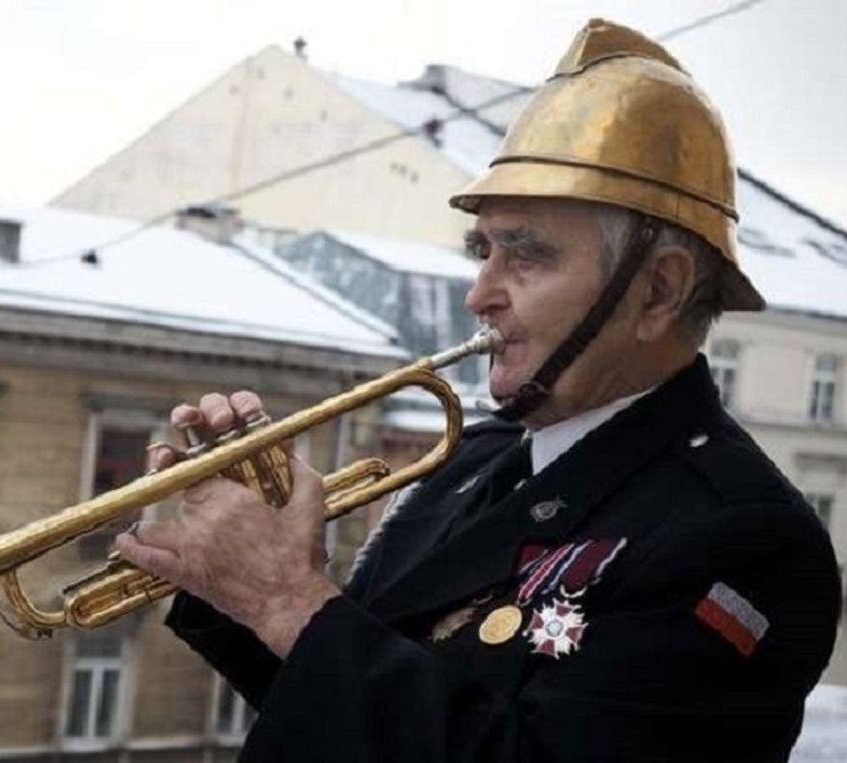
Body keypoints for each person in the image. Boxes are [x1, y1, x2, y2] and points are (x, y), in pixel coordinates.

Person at [114, 19, 841, 762]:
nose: (480, 294)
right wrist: (234, 582)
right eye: (483, 250)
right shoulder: (472, 458)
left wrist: (286, 598)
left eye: (527, 255)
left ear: (658, 291)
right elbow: (355, 713)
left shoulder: (744, 540)